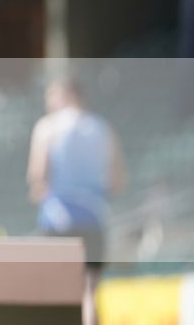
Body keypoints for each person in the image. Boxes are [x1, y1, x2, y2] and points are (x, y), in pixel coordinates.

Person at [27, 76, 127, 273]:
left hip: (58, 218)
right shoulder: (103, 128)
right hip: (94, 216)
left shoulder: (47, 127)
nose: (48, 103)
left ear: (67, 95)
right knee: (89, 286)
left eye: (51, 96)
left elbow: (37, 175)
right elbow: (117, 182)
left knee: (58, 283)